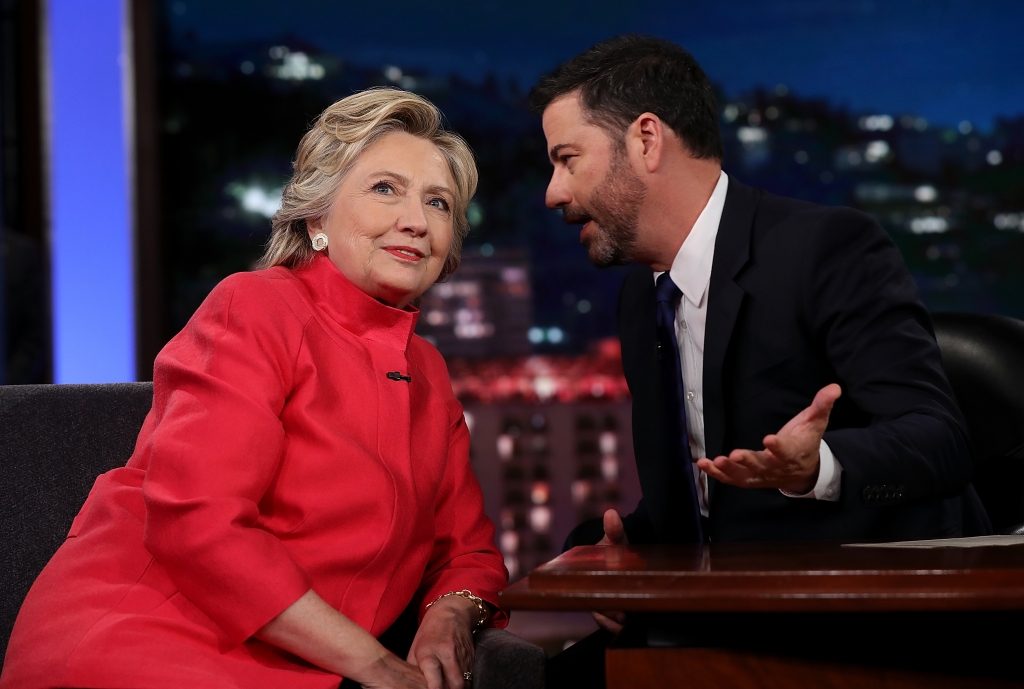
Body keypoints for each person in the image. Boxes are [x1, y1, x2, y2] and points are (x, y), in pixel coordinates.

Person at [1, 88, 507, 689]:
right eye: (384, 188)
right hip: (148, 642)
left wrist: (450, 611)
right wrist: (378, 667)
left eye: (439, 203)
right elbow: (202, 523)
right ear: (317, 214)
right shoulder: (256, 305)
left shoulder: (427, 372)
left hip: (313, 668)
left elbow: (468, 553)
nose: (416, 221)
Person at [530, 35, 990, 685]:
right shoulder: (641, 296)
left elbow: (941, 441)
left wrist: (816, 467)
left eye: (567, 159)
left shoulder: (829, 248)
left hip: (864, 627)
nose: (553, 193)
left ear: (646, 140)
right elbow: (705, 505)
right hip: (722, 616)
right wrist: (622, 551)